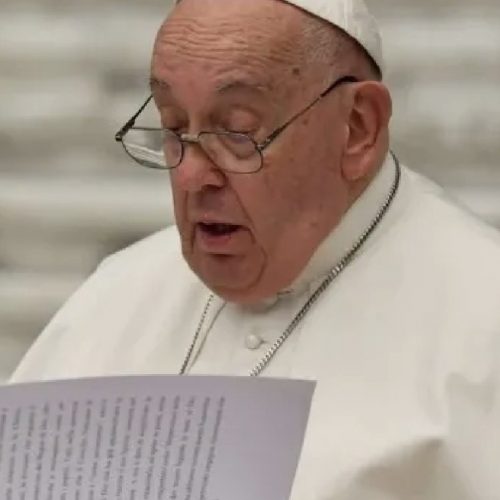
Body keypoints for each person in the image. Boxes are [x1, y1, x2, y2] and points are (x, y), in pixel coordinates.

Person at [11, 0, 500, 497]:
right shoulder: (116, 295)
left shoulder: (484, 321)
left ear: (358, 128)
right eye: (174, 126)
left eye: (237, 132)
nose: (191, 175)